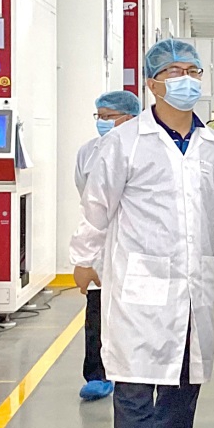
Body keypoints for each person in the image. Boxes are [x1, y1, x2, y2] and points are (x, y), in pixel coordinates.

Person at [70, 39, 214, 428]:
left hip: (193, 284)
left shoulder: (210, 145)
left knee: (185, 383)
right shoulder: (125, 141)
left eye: (193, 70)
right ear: (153, 83)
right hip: (141, 282)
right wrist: (83, 258)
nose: (186, 79)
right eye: (174, 71)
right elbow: (98, 205)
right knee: (135, 386)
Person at [74, 90, 141, 402]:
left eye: (108, 117)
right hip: (102, 245)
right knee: (97, 312)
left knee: (136, 314)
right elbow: (88, 199)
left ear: (129, 117)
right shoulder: (88, 152)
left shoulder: (144, 148)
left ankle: (133, 370)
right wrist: (84, 255)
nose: (101, 122)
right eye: (98, 116)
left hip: (136, 244)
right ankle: (97, 375)